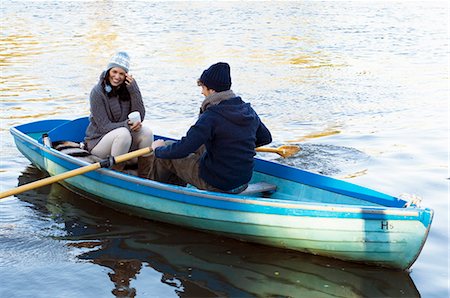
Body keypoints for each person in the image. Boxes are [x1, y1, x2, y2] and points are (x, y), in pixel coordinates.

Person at [138, 62, 272, 193]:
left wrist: (158, 150)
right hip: (242, 182)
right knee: (196, 147)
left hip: (218, 184)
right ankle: (174, 189)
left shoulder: (211, 115)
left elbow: (184, 148)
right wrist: (237, 145)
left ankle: (152, 193)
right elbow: (266, 138)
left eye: (203, 87)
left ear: (212, 90)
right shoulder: (247, 110)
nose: (202, 92)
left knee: (166, 151)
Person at [84, 51, 153, 171]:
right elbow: (104, 126)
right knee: (123, 134)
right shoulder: (97, 92)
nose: (117, 77)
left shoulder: (127, 89)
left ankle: (145, 176)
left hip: (123, 139)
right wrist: (126, 125)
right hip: (98, 142)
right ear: (108, 71)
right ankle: (116, 176)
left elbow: (139, 116)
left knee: (147, 133)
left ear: (126, 75)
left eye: (121, 73)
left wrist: (134, 90)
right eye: (114, 72)